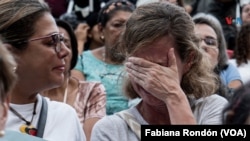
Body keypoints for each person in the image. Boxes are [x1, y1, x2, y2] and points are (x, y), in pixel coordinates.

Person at [90, 2, 228, 141]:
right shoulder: (111, 129)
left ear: (188, 61)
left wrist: (174, 97)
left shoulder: (212, 110)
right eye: (140, 66)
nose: (150, 79)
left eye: (160, 67)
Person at [0, 0, 86, 140]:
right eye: (52, 42)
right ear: (11, 54)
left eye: (62, 41)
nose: (65, 51)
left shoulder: (65, 116)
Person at [41, 19, 106, 141]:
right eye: (51, 44)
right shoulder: (23, 94)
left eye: (67, 45)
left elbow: (91, 138)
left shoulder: (91, 91)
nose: (63, 51)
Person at [72, 0, 136, 115]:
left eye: (130, 25)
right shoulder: (82, 61)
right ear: (101, 29)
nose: (125, 31)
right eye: (117, 25)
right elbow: (77, 103)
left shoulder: (143, 61)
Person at [193, 13, 243, 95]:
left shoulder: (229, 69)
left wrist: (210, 71)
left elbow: (236, 102)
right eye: (195, 40)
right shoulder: (178, 68)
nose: (202, 45)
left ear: (219, 48)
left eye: (210, 42)